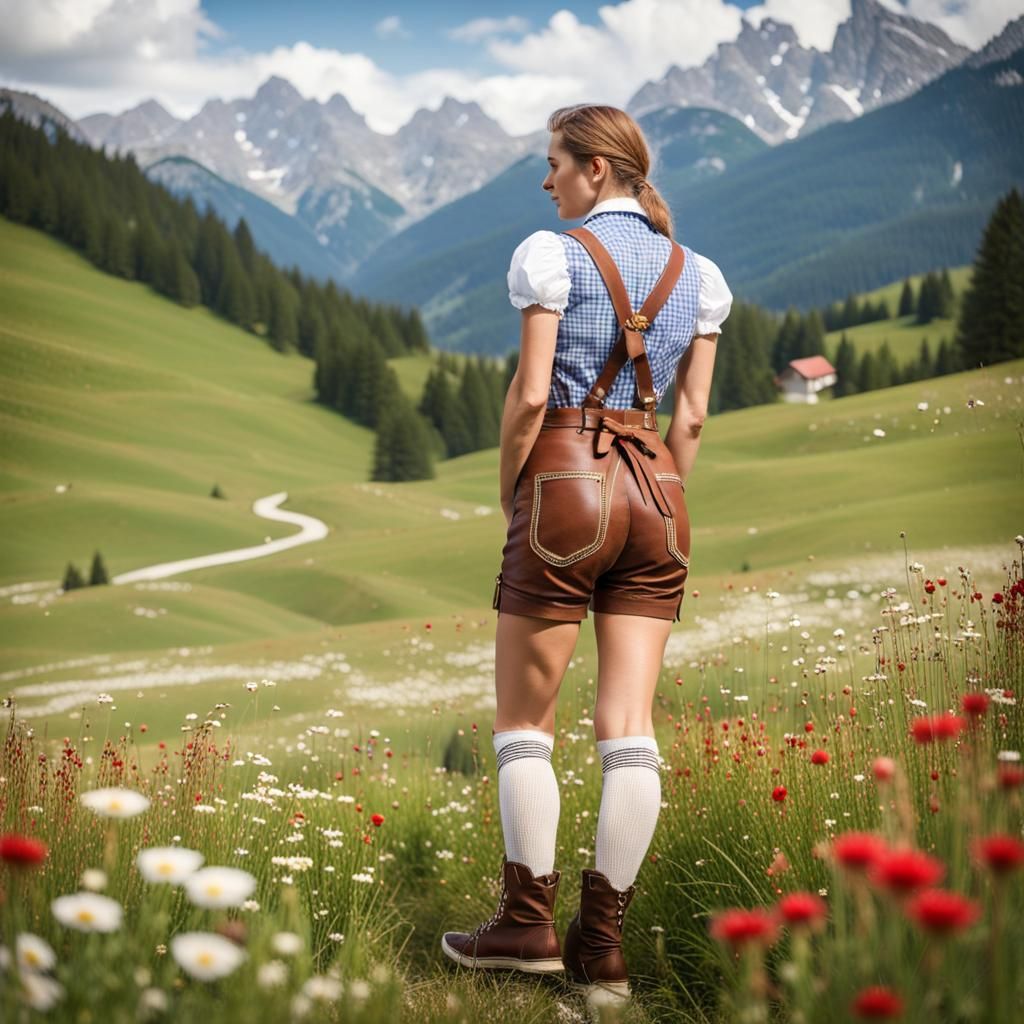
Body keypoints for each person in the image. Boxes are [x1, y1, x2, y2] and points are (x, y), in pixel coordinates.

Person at [441, 103, 732, 1001]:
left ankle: (526, 927)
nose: (547, 179)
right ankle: (600, 952)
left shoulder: (550, 256)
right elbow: (689, 417)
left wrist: (514, 491)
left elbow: (532, 395)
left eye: (555, 162)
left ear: (596, 170)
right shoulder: (702, 273)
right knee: (629, 735)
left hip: (564, 479)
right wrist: (657, 487)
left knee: (526, 724)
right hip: (660, 493)